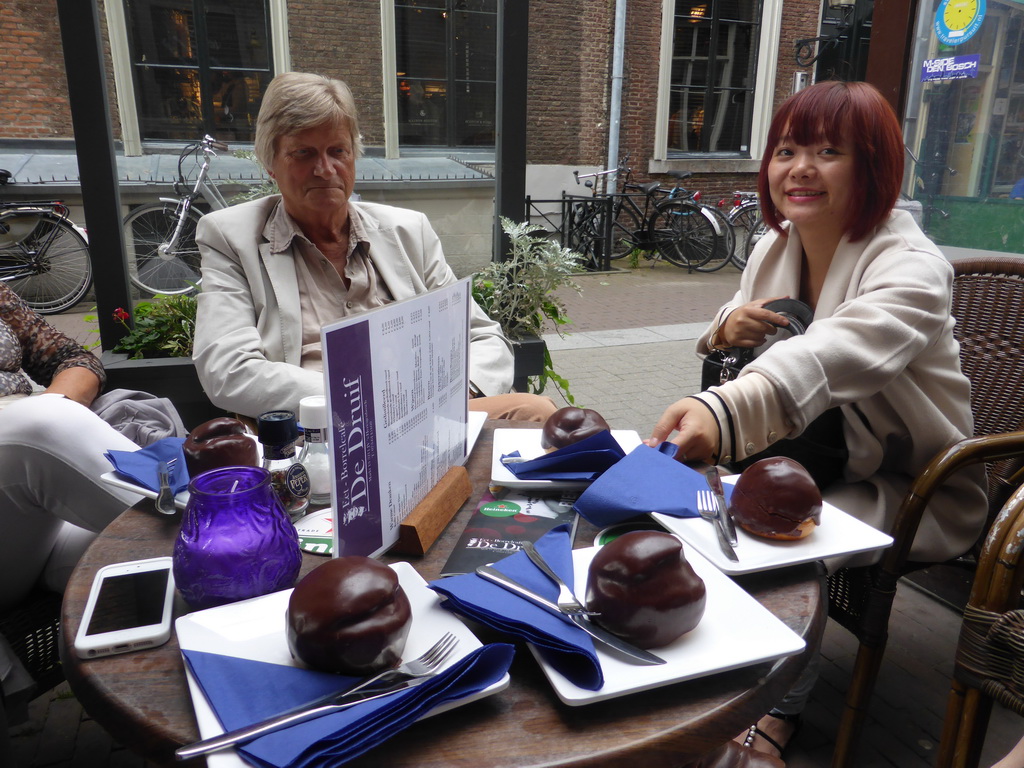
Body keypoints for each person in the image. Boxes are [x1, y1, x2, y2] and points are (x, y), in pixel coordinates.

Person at [648, 80, 988, 761]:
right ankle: (705, 657)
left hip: (909, 479)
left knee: (783, 529)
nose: (799, 168)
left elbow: (832, 355)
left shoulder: (913, 268)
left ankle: (774, 710)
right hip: (807, 450)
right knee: (708, 502)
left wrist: (723, 410)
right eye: (786, 149)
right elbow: (740, 320)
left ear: (872, 168)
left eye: (829, 150)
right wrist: (724, 325)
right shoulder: (779, 249)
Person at [193, 72, 556, 423]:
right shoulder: (231, 237)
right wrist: (368, 401)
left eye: (338, 150)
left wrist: (464, 392)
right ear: (270, 163)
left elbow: (479, 335)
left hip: (425, 415)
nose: (325, 169)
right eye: (303, 153)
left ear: (354, 156)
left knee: (537, 413)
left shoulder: (408, 231)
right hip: (320, 428)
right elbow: (228, 369)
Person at [0, 284, 144, 699]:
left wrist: (53, 403)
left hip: (32, 504)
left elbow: (74, 359)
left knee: (147, 568)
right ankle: (233, 519)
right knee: (38, 426)